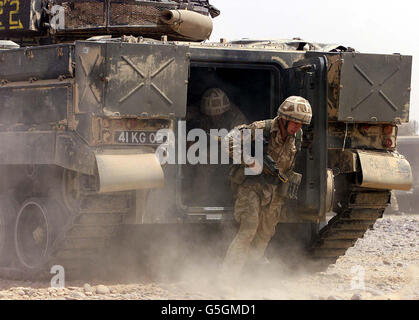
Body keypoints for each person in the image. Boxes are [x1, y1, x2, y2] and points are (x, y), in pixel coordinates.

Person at [220, 96, 312, 282]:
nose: (297, 128)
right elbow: (229, 140)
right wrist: (250, 160)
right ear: (284, 119)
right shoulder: (263, 129)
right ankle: (227, 279)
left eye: (301, 124)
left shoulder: (297, 136)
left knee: (265, 234)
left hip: (275, 190)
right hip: (252, 186)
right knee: (248, 230)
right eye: (295, 123)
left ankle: (249, 279)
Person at [185, 88, 248, 206]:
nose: (214, 117)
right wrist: (189, 140)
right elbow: (180, 119)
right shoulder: (196, 112)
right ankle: (198, 201)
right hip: (204, 147)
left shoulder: (235, 116)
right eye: (211, 115)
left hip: (229, 149)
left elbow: (243, 138)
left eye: (218, 114)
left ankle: (232, 201)